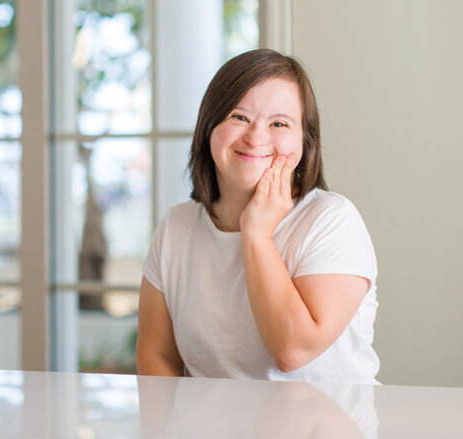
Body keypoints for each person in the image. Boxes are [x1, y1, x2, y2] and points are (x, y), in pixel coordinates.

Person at [136, 49, 379, 384]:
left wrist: (257, 233)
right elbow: (157, 359)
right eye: (239, 117)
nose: (256, 137)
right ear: (209, 126)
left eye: (279, 123)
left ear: (305, 142)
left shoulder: (332, 220)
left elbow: (292, 351)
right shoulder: (175, 227)